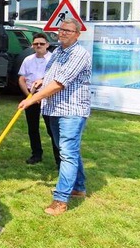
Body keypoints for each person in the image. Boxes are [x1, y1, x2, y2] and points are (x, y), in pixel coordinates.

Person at [18, 18, 91, 216]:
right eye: (61, 29)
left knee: (66, 153)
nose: (63, 33)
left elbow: (60, 82)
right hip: (54, 109)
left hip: (72, 110)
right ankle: (79, 187)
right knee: (67, 150)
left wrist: (32, 99)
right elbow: (52, 76)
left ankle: (60, 199)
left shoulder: (79, 54)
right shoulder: (58, 51)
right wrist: (42, 80)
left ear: (77, 34)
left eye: (68, 30)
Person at [18, 32, 60, 166]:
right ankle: (36, 154)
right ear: (32, 45)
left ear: (47, 45)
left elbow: (56, 80)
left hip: (48, 98)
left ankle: (59, 158)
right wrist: (28, 96)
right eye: (36, 44)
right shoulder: (28, 60)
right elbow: (21, 78)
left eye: (42, 43)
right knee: (32, 128)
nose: (39, 46)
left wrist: (41, 95)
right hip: (31, 98)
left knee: (51, 129)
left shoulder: (53, 59)